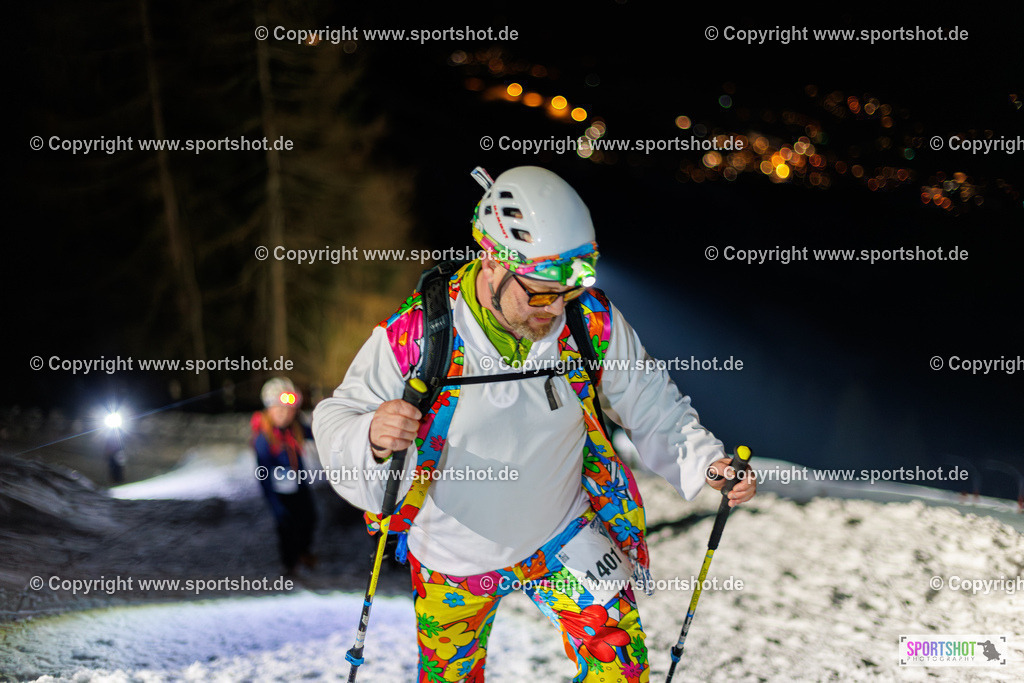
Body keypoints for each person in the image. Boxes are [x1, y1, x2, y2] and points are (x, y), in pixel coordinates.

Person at [313, 166, 756, 682]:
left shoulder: (588, 321)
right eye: (540, 293)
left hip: (562, 536)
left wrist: (708, 462)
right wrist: (370, 434)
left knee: (619, 669)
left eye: (564, 293)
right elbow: (337, 416)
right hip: (455, 557)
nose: (552, 310)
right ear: (492, 260)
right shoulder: (418, 335)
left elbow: (652, 403)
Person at [252, 376, 318, 576]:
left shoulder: (295, 427)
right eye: (279, 409)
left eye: (289, 410)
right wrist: (274, 503)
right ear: (269, 410)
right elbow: (262, 473)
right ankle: (290, 566)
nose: (285, 414)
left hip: (299, 485)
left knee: (310, 518)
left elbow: (315, 433)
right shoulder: (264, 437)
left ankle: (304, 552)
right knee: (286, 527)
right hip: (278, 492)